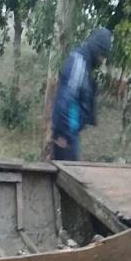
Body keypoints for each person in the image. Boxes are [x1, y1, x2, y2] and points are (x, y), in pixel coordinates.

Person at [51, 27, 113, 161]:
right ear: (96, 49)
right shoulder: (79, 63)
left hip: (71, 132)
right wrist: (63, 135)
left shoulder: (85, 64)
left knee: (69, 174)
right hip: (66, 135)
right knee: (67, 177)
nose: (102, 60)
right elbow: (65, 99)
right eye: (102, 55)